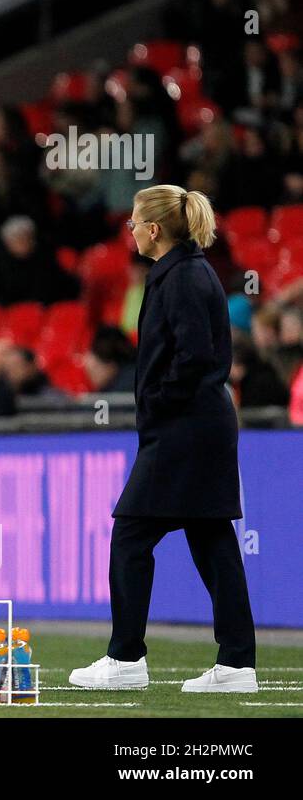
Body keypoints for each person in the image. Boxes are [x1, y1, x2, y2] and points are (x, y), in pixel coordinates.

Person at [71, 185, 257, 693]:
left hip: (185, 426)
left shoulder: (179, 277)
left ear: (154, 229)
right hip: (201, 424)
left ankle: (126, 658)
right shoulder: (188, 272)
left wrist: (156, 400)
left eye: (134, 221)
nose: (129, 229)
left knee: (131, 534)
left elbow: (194, 356)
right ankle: (238, 663)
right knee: (211, 536)